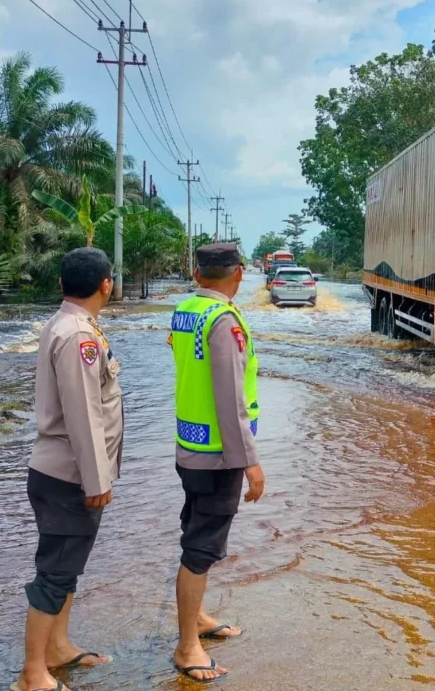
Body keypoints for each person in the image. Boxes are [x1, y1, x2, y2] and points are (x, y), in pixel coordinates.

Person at [12, 248, 124, 691]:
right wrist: (97, 479)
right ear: (106, 285)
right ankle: (32, 673)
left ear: (61, 284)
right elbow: (83, 413)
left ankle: (56, 648)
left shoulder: (67, 323)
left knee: (66, 568)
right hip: (69, 476)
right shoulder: (78, 334)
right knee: (55, 572)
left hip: (62, 472)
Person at [168, 242, 264, 683]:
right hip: (217, 456)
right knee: (201, 548)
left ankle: (199, 619)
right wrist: (250, 462)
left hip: (190, 445)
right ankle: (188, 647)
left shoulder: (186, 310)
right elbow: (230, 398)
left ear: (197, 274)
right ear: (239, 273)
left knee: (196, 537)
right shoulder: (223, 320)